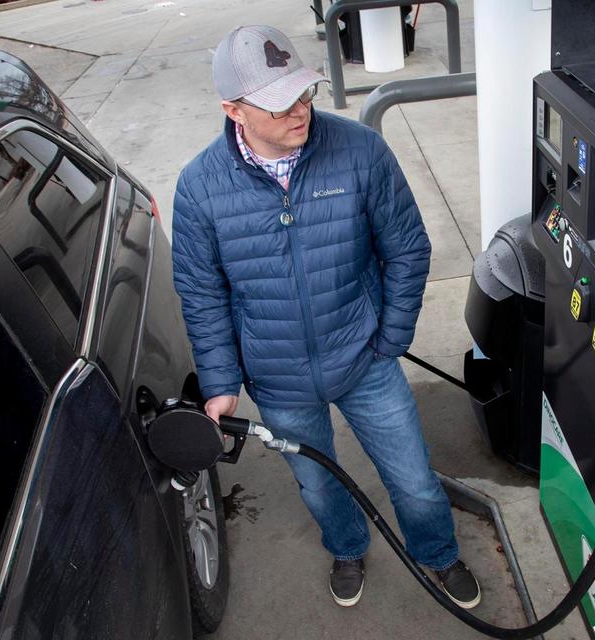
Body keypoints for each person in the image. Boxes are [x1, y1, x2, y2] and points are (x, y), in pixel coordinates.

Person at [171, 25, 480, 609]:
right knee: (316, 481)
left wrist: (390, 337)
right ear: (234, 110)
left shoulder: (359, 151)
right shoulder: (199, 188)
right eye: (280, 102)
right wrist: (219, 384)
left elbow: (408, 247)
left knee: (414, 479)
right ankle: (346, 545)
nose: (301, 111)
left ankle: (437, 553)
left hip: (365, 359)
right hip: (279, 378)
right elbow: (202, 292)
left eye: (305, 93)